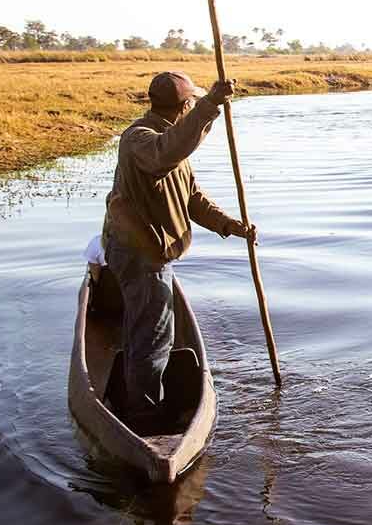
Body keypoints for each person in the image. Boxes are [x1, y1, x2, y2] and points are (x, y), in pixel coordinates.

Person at [101, 71, 257, 430]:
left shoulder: (173, 145)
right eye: (192, 105)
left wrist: (230, 225)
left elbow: (193, 199)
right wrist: (211, 105)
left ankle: (142, 395)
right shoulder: (140, 139)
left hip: (152, 252)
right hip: (137, 253)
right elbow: (164, 153)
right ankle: (143, 415)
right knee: (152, 337)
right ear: (185, 106)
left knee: (151, 328)